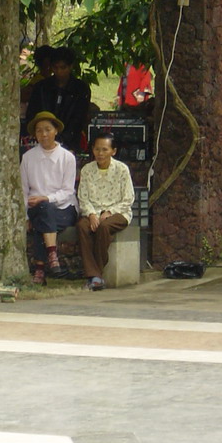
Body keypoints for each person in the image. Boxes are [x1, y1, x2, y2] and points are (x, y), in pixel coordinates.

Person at [20, 110, 78, 286]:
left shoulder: (67, 157)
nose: (43, 134)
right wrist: (25, 216)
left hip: (64, 208)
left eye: (47, 129)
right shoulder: (28, 157)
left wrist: (46, 197)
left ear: (55, 131)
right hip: (36, 208)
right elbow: (23, 189)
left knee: (44, 213)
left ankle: (40, 269)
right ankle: (52, 257)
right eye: (39, 130)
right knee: (42, 213)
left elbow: (67, 191)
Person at [76, 132, 135, 290]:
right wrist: (92, 214)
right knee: (82, 226)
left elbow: (128, 198)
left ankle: (95, 275)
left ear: (113, 151)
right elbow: (83, 197)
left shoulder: (122, 170)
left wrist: (109, 212)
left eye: (104, 149)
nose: (100, 153)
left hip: (118, 212)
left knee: (104, 227)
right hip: (93, 211)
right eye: (97, 149)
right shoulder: (87, 170)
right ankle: (95, 276)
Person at [25, 46, 91, 154]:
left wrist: (62, 140)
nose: (59, 72)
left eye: (63, 67)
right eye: (55, 68)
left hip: (70, 143)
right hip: (43, 141)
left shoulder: (81, 89)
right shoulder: (41, 87)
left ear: (70, 67)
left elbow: (78, 119)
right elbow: (33, 114)